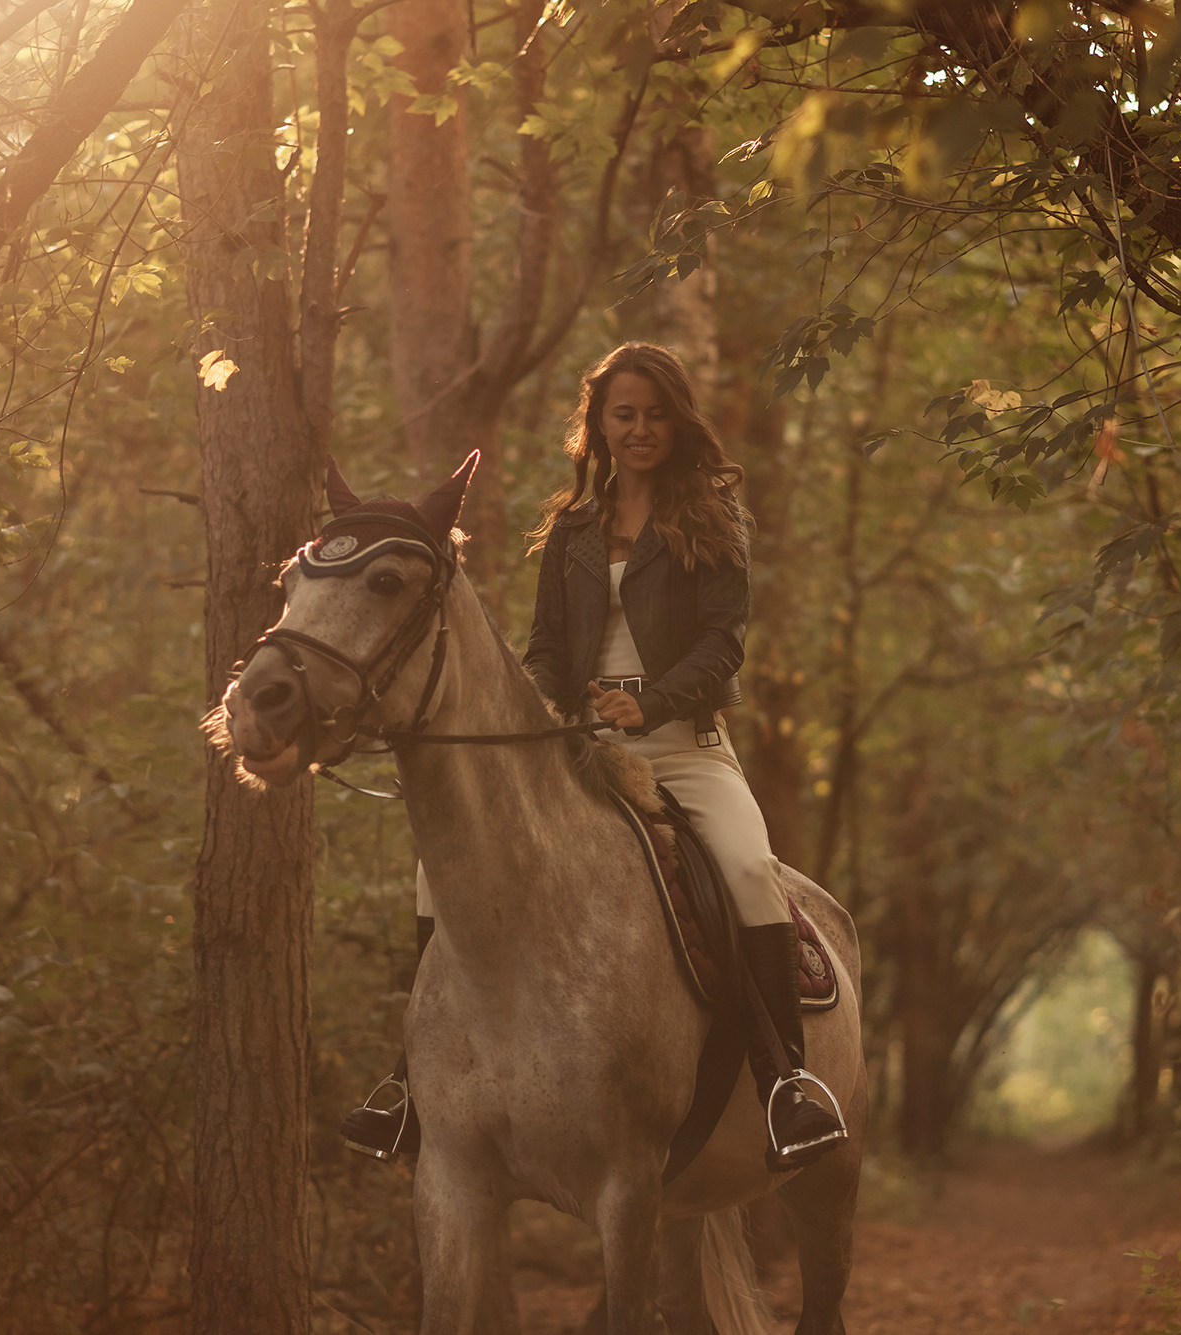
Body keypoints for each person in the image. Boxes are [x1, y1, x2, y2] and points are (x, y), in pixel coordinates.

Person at [341, 342, 847, 1172]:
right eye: (624, 414)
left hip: (684, 744)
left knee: (751, 869)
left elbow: (724, 646)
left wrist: (651, 700)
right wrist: (543, 707)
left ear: (675, 422)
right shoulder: (572, 529)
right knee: (439, 873)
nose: (640, 428)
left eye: (653, 414)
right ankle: (408, 1084)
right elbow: (543, 648)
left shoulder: (715, 521)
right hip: (576, 747)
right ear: (600, 427)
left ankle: (786, 1079)